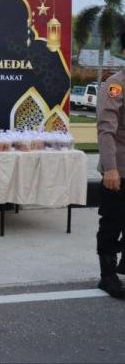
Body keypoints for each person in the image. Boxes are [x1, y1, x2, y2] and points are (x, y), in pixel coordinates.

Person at [95, 70, 125, 299]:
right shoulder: (115, 85)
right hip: (120, 168)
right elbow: (106, 129)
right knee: (112, 223)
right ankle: (107, 276)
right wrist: (110, 167)